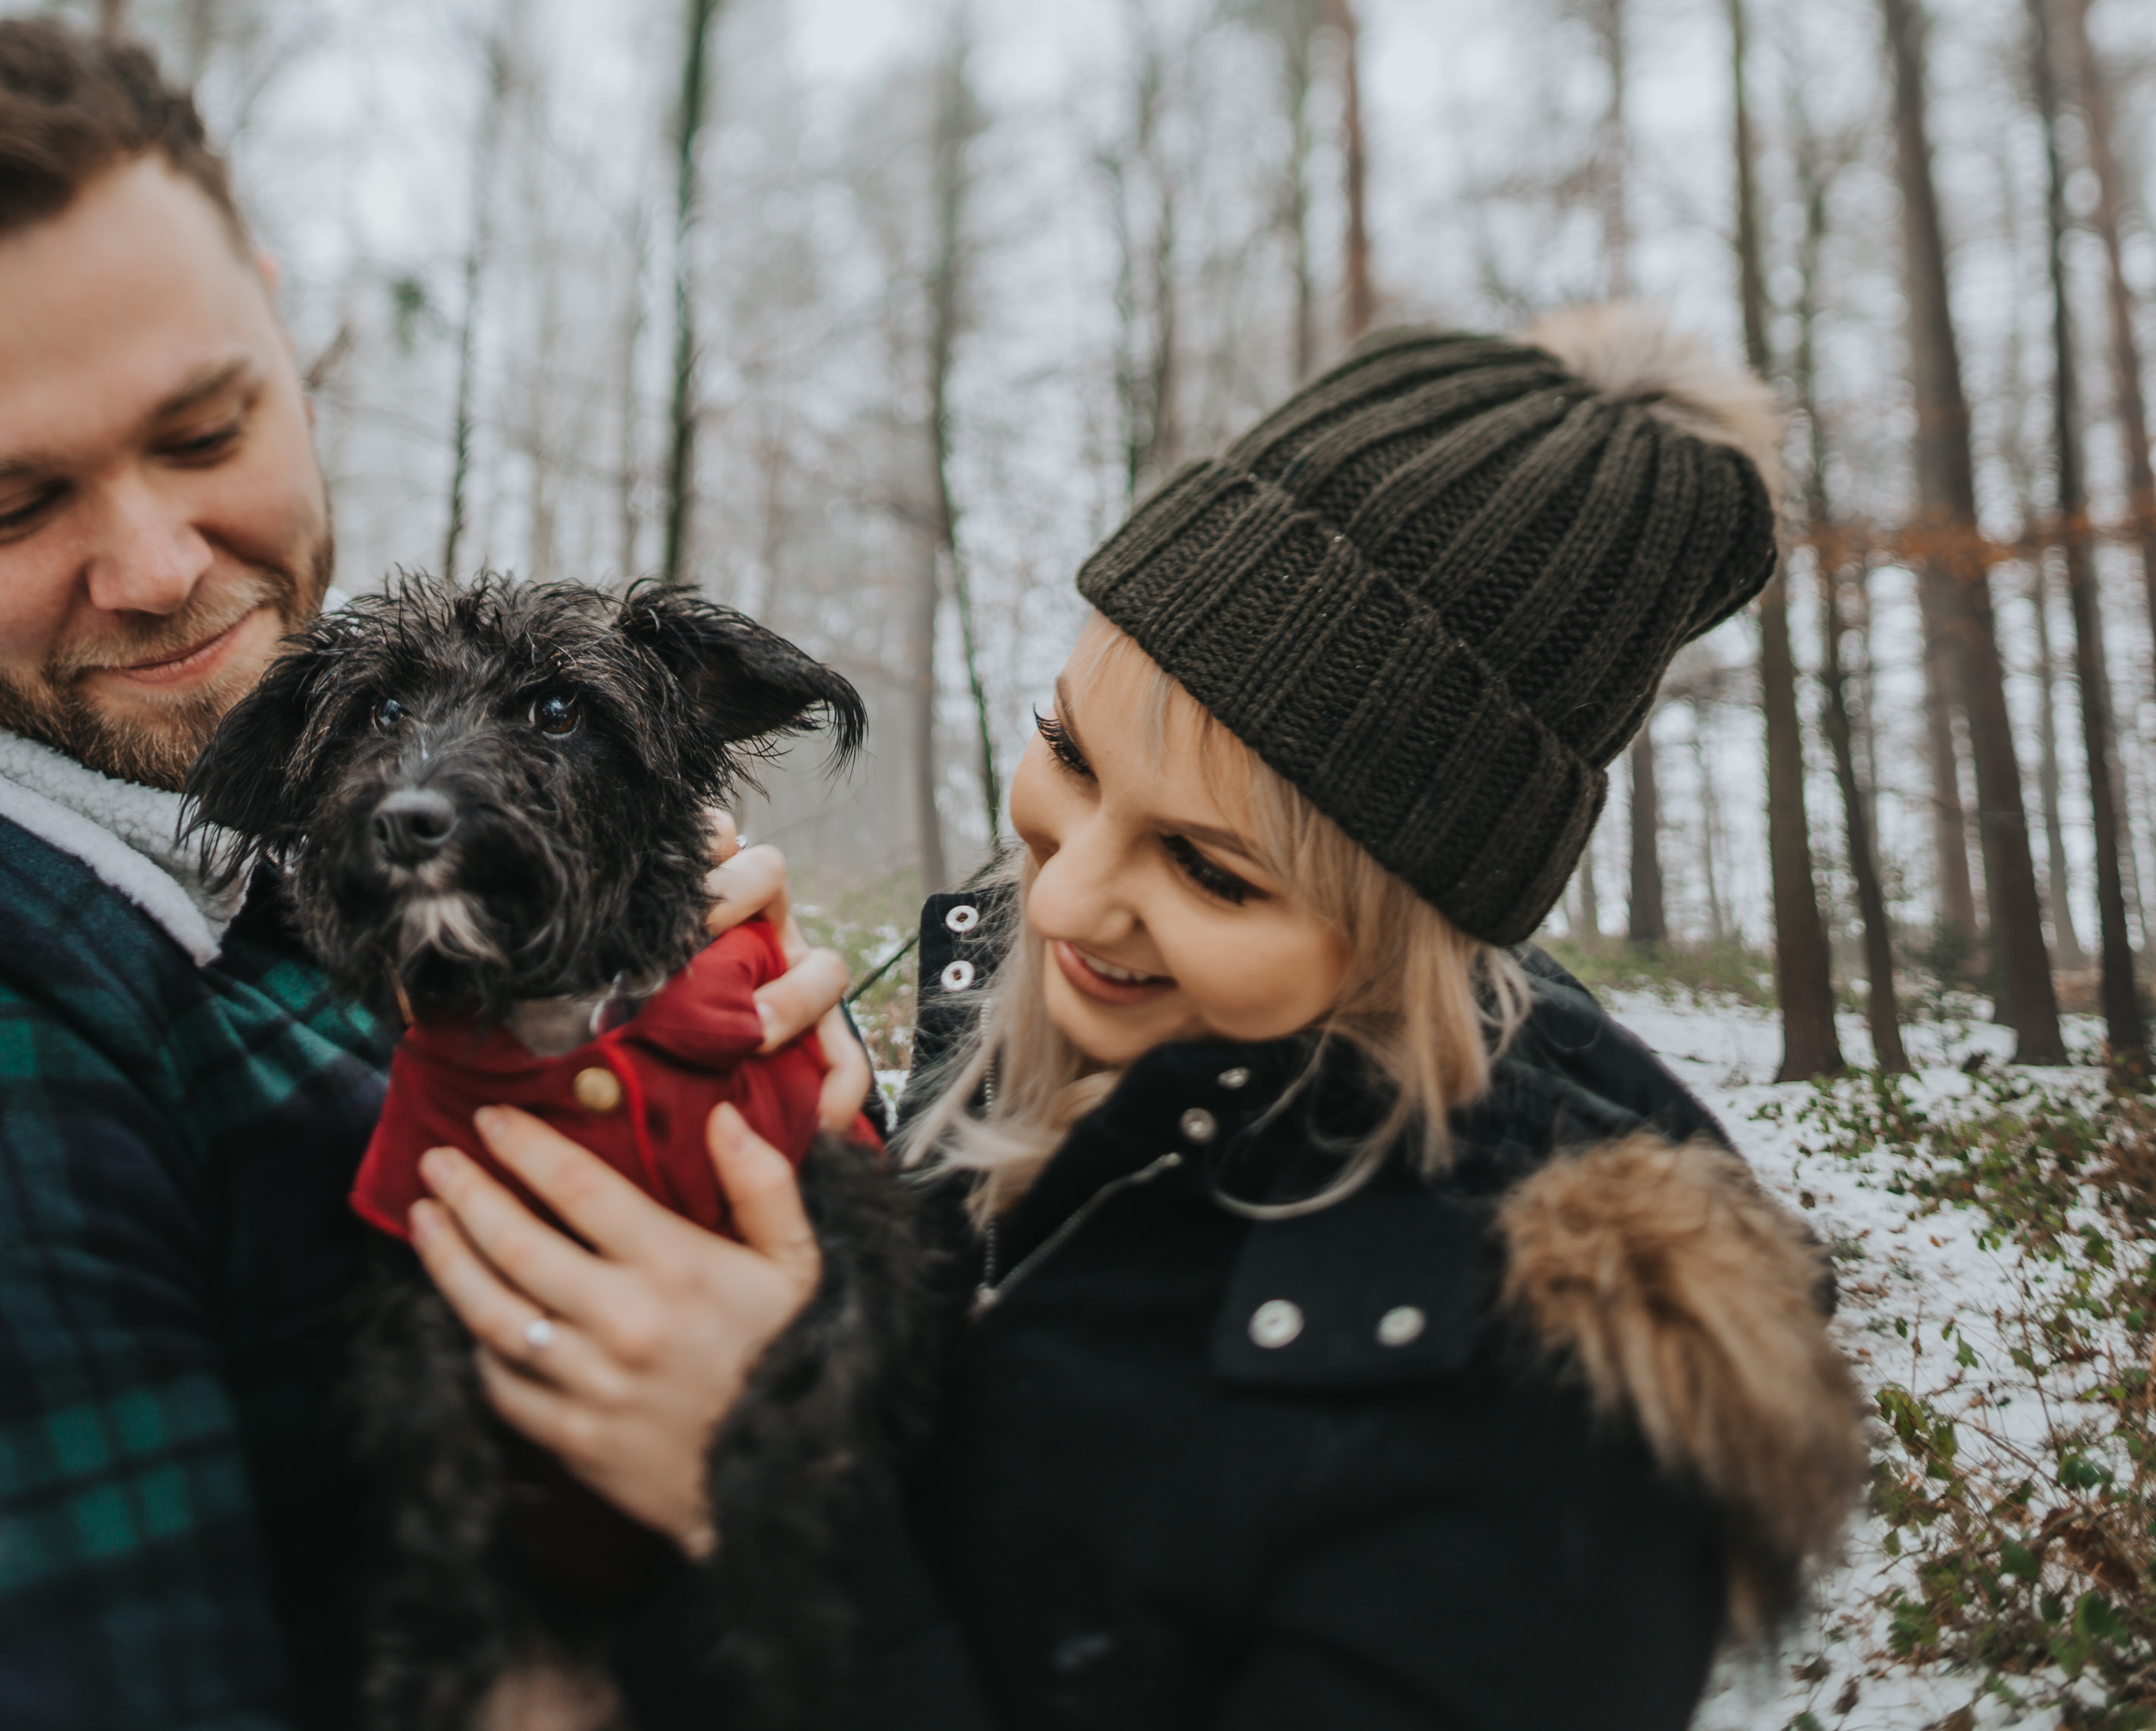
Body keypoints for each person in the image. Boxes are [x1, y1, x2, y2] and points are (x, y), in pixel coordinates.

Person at [0, 17, 863, 1731]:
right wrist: (799, 1509)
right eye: (7, 500)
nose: (160, 567)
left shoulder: (246, 826)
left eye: (201, 427)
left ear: (276, 323)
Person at [409, 308, 1868, 1728]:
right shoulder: (1053, 1045)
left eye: (1213, 872)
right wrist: (820, 1145)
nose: (1059, 904)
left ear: (1415, 922)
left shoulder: (1566, 1439)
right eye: (1069, 754)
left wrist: (771, 1491)